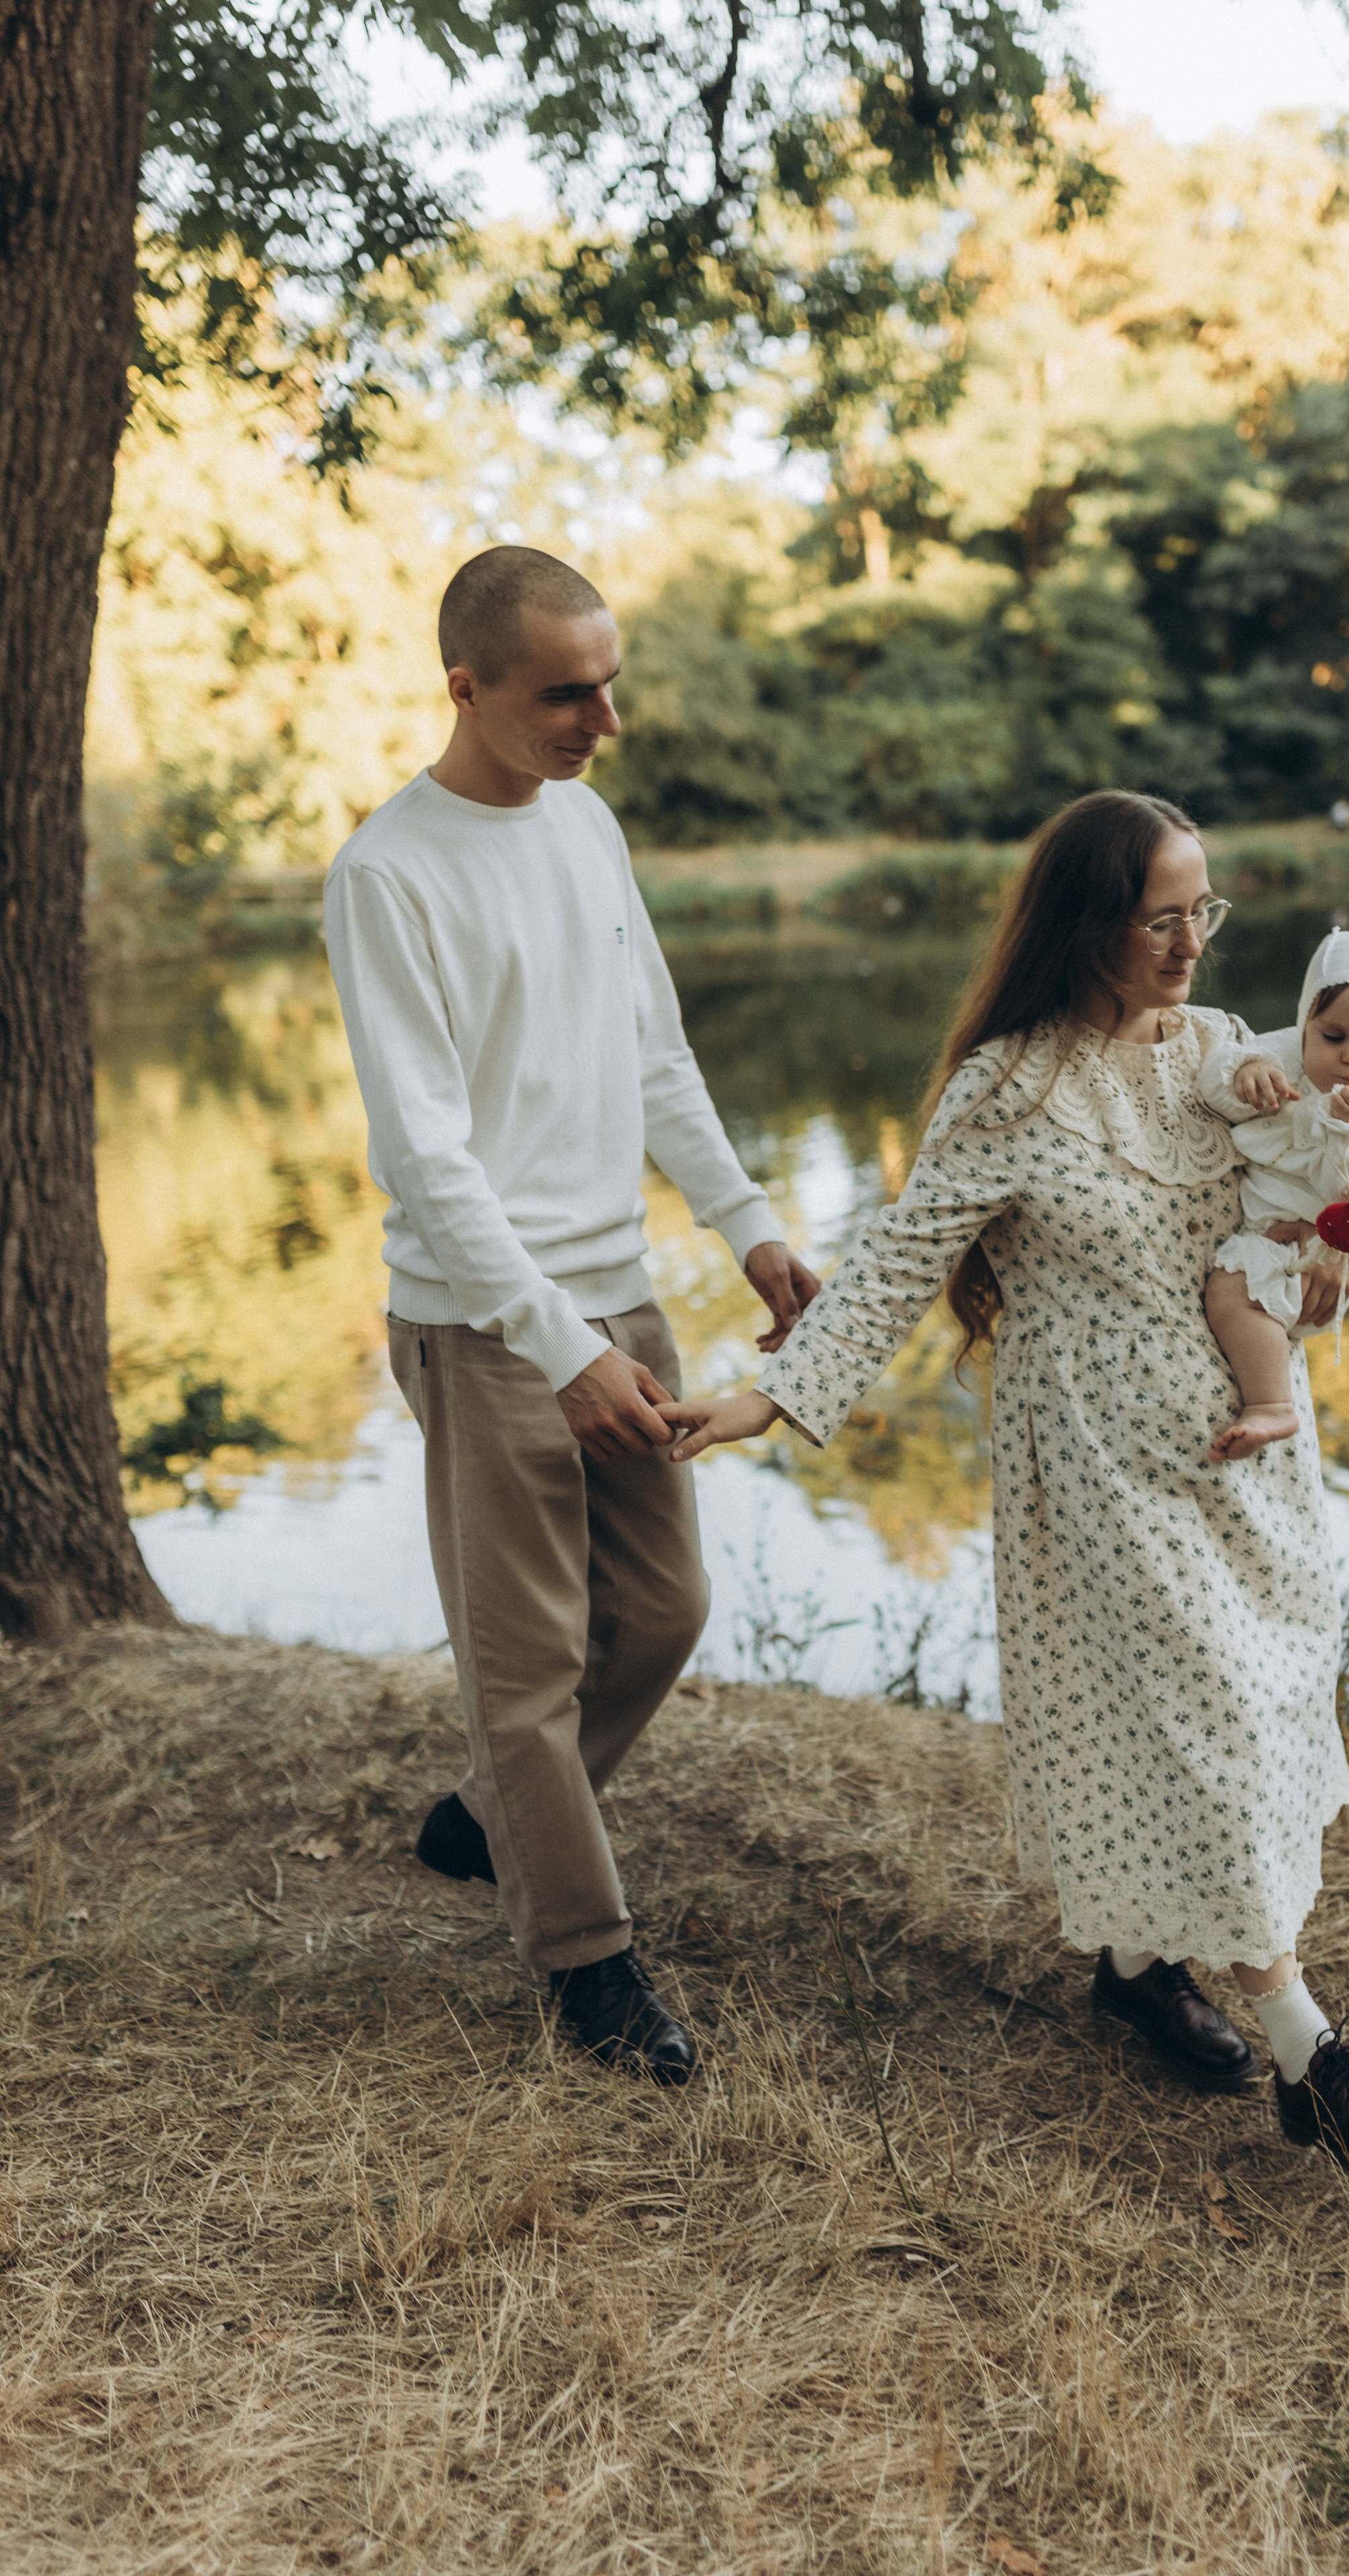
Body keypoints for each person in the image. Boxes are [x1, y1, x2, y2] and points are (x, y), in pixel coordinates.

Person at [663, 792, 1349, 2174]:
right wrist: (762, 1400)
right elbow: (905, 1260)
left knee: (1244, 1717)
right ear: (1087, 923)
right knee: (1189, 1714)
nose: (1191, 941)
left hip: (1246, 1452)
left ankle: (1137, 1968)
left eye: (1201, 911)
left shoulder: (1226, 1053)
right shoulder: (1010, 1086)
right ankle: (1307, 2053)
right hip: (1095, 1461)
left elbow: (1332, 1188)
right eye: (1161, 918)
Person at [323, 545, 819, 2088]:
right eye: (565, 691)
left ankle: (490, 1820)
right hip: (487, 1326)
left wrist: (746, 1228)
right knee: (525, 1669)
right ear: (464, 686)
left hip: (619, 1295)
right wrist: (556, 1345)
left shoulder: (590, 827)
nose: (603, 716)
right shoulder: (387, 871)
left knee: (663, 1613)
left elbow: (656, 1054)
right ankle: (588, 1963)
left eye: (609, 682)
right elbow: (425, 1156)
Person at [1197, 930, 1349, 1463]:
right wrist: (1245, 1072)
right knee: (1232, 1295)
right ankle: (1270, 1397)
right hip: (1274, 1237)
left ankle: (1270, 1404)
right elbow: (1210, 1085)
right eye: (1333, 1035)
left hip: (1313, 1259)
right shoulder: (1282, 1056)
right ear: (1306, 1022)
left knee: (1229, 1291)